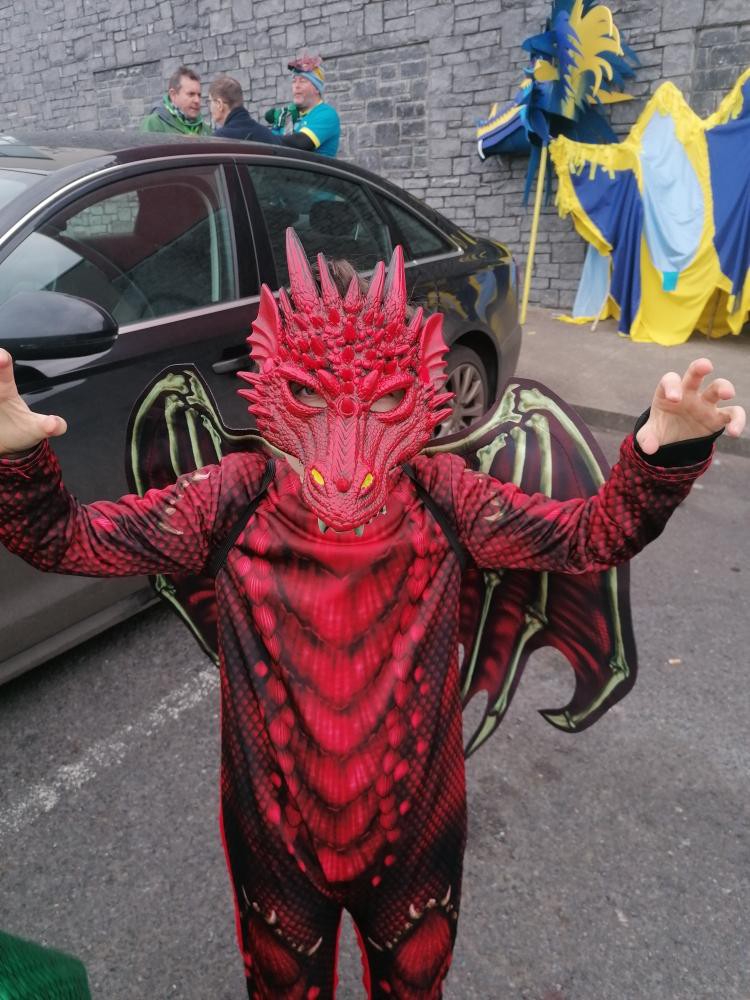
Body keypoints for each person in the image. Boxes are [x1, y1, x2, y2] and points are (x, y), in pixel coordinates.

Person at [0, 232, 744, 999]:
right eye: (310, 398)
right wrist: (16, 460)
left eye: (384, 401)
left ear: (420, 392)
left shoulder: (446, 495)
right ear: (269, 382)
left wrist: (662, 452)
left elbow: (591, 536)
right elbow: (66, 539)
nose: (344, 458)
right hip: (275, 838)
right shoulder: (230, 498)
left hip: (416, 832)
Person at [267, 53, 341, 156]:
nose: (296, 86)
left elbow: (302, 143)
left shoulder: (326, 114)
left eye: (302, 81)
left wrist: (260, 135)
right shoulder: (286, 114)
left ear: (317, 88)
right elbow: (268, 148)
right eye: (294, 81)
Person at [142, 65, 211, 136]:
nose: (197, 100)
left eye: (199, 95)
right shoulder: (154, 124)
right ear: (173, 95)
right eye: (191, 94)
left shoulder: (206, 130)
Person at [209, 75, 280, 144]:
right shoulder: (268, 135)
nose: (210, 106)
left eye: (210, 101)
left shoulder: (219, 141)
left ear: (219, 104)